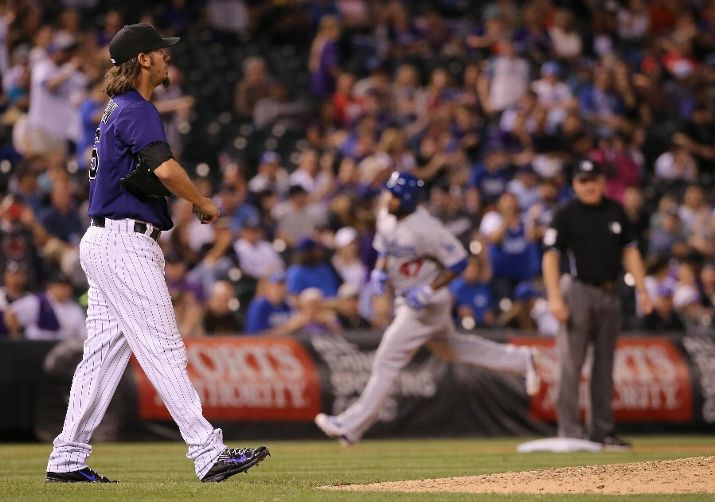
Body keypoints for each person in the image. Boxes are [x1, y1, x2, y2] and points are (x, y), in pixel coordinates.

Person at [45, 24, 269, 484]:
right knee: (163, 347)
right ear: (143, 60)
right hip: (124, 243)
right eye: (160, 53)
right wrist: (202, 202)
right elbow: (166, 169)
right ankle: (207, 452)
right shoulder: (136, 109)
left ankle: (66, 458)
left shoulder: (118, 109)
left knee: (102, 356)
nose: (168, 58)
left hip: (107, 239)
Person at [315, 171, 539, 445]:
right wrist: (379, 272)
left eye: (394, 194)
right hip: (405, 297)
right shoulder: (386, 215)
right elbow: (384, 248)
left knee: (387, 359)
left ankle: (351, 425)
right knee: (453, 348)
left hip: (426, 304)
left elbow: (458, 261)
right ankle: (521, 359)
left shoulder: (427, 228)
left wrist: (428, 289)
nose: (388, 197)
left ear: (407, 199)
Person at [542, 159, 652, 450]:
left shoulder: (615, 211)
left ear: (603, 182)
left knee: (605, 366)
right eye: (583, 181)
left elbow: (630, 252)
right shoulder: (565, 213)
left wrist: (643, 289)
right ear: (575, 184)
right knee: (571, 364)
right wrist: (553, 296)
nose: (589, 185)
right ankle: (570, 432)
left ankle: (602, 431)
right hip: (577, 291)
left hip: (610, 292)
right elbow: (551, 256)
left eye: (594, 179)